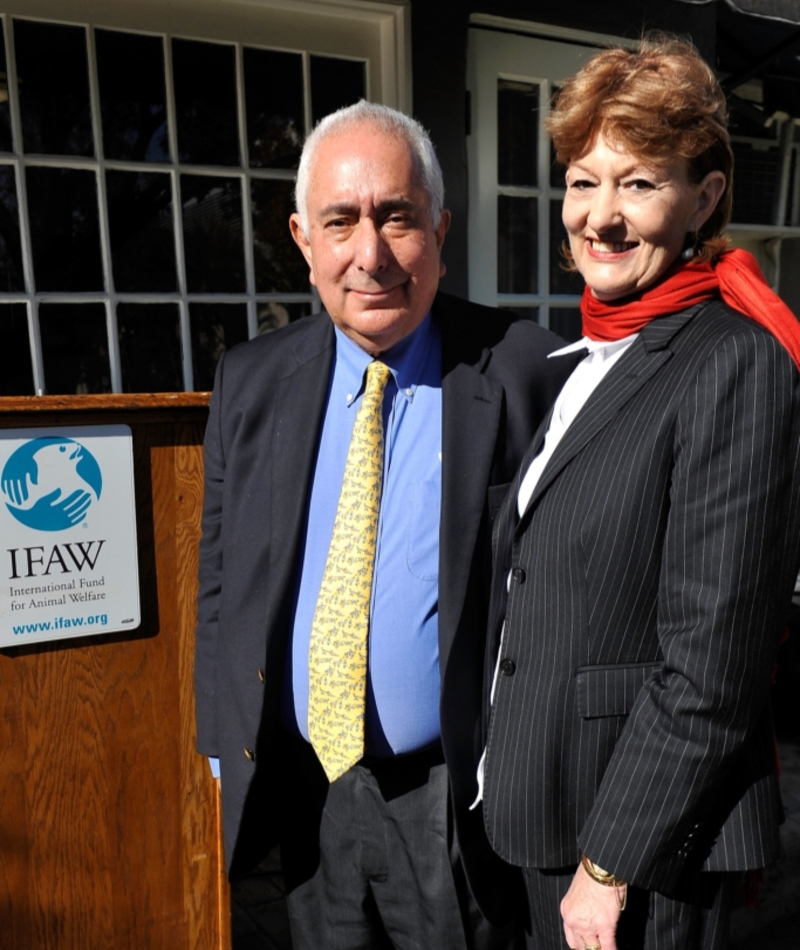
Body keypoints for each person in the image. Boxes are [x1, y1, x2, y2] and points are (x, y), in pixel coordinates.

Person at [194, 100, 575, 949]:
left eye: (396, 217)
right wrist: (222, 752)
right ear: (303, 238)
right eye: (341, 222)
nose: (370, 255)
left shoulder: (527, 372)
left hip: (453, 802)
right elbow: (222, 580)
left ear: (439, 228)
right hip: (305, 790)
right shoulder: (249, 383)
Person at [480, 35, 800, 950]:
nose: (602, 216)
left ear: (703, 199)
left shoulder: (733, 362)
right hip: (549, 809)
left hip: (639, 852)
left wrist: (607, 867)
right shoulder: (595, 350)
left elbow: (714, 665)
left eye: (639, 182)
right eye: (584, 181)